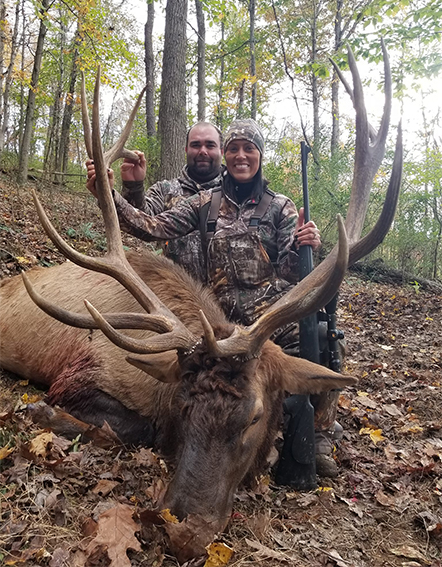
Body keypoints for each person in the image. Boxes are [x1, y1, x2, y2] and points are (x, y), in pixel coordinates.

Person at [90, 118, 341, 478]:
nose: (241, 156)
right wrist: (108, 193)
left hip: (267, 324)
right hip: (218, 323)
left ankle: (317, 435)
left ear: (259, 156)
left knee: (323, 340)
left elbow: (289, 272)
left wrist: (306, 245)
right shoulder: (204, 202)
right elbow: (152, 227)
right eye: (234, 149)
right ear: (226, 155)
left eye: (249, 149)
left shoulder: (281, 207)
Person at [86, 122, 225, 283]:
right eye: (195, 145)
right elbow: (143, 222)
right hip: (175, 297)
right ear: (186, 149)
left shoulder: (235, 193)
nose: (202, 151)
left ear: (221, 150)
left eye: (210, 145)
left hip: (227, 302)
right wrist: (132, 187)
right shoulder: (166, 190)